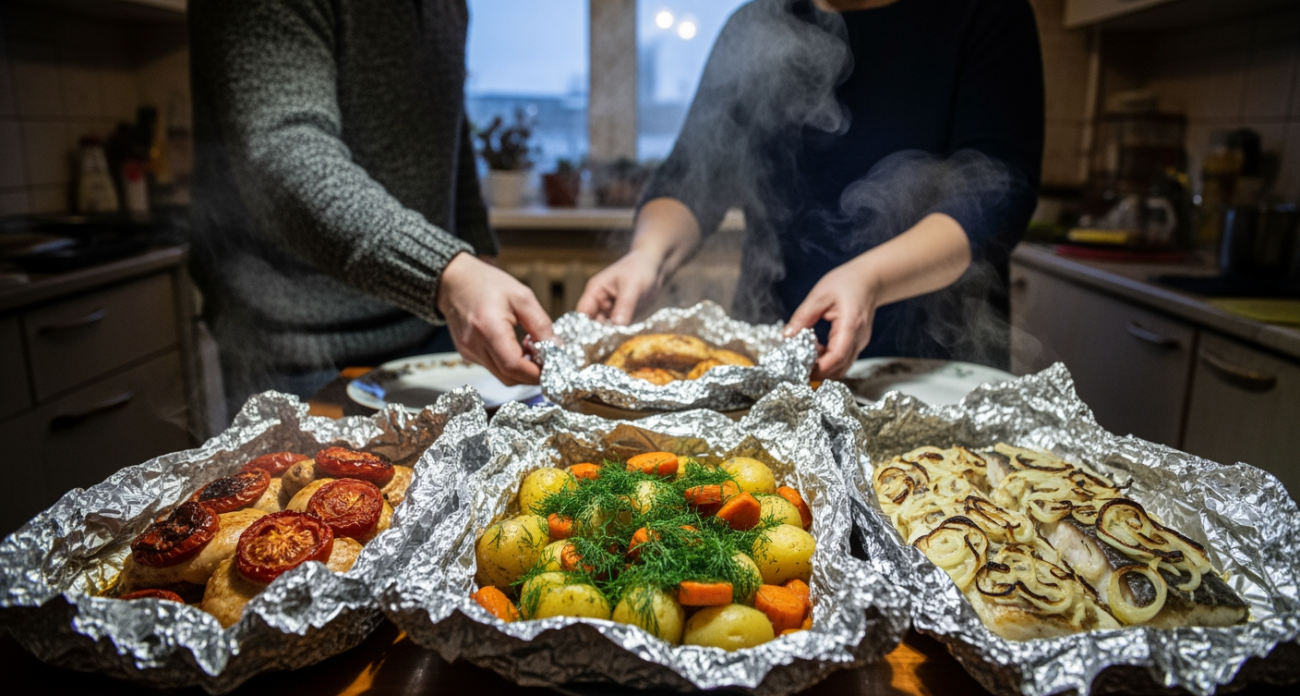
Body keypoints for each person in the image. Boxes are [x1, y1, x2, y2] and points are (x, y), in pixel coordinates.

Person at [578, 0, 1044, 379]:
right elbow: (690, 176)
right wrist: (648, 256)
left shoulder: (986, 13)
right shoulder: (755, 24)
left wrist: (871, 278)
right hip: (776, 348)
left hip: (930, 364)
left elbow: (993, 194)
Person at [188, 0, 552, 418]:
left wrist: (476, 258)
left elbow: (449, 136)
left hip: (430, 326)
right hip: (298, 344)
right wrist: (447, 272)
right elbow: (285, 153)